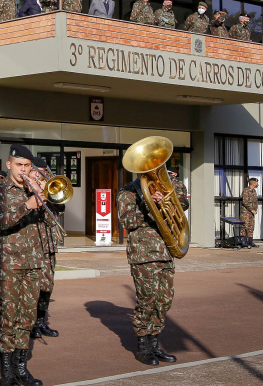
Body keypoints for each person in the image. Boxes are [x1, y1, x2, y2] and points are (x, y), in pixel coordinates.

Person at [118, 149, 186, 367]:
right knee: (147, 299)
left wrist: (167, 197)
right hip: (144, 253)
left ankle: (155, 342)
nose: (151, 172)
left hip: (165, 251)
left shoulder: (164, 188)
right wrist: (149, 204)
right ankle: (143, 346)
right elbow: (127, 221)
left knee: (164, 299)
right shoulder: (128, 192)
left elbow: (182, 204)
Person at [0, 145, 44, 386]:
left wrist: (44, 198)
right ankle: (7, 371)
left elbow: (49, 224)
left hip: (33, 262)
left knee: (28, 317)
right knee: (9, 317)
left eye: (27, 166)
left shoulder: (33, 189)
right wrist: (28, 205)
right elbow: (2, 220)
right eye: (19, 165)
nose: (23, 170)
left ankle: (21, 367)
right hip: (9, 263)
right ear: (9, 164)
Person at [30, 157, 59, 339]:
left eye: (43, 170)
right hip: (31, 245)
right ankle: (30, 324)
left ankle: (41, 321)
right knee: (32, 287)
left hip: (48, 244)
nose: (40, 174)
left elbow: (60, 207)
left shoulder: (48, 187)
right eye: (36, 170)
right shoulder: (24, 188)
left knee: (47, 286)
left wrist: (49, 194)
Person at [240, 178, 259, 247]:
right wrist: (251, 209)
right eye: (256, 182)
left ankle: (250, 241)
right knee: (244, 226)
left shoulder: (254, 191)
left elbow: (255, 201)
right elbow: (245, 201)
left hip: (251, 212)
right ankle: (243, 241)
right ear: (253, 183)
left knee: (251, 227)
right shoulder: (246, 190)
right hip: (246, 212)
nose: (257, 184)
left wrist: (255, 209)